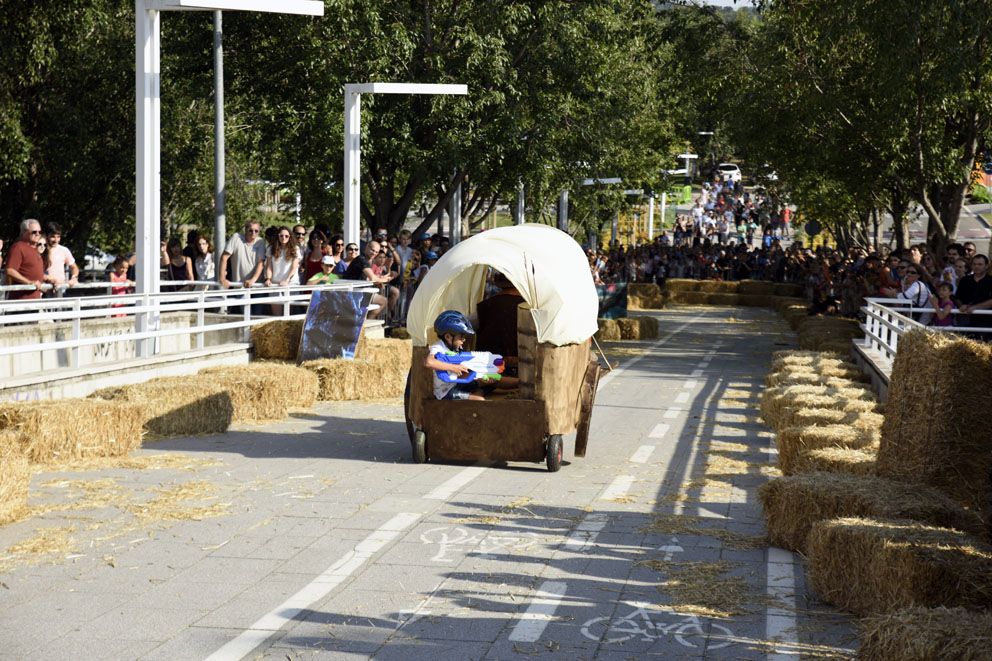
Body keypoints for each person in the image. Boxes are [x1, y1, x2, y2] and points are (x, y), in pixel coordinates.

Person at [424, 310, 489, 401]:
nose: (464, 340)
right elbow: (429, 362)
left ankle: (516, 383)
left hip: (455, 384)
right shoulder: (438, 347)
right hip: (445, 392)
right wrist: (453, 367)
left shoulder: (453, 349)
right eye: (461, 337)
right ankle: (476, 393)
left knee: (489, 382)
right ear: (448, 337)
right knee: (479, 400)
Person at [475, 271, 526, 373]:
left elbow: (474, 326)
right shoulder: (528, 307)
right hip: (523, 364)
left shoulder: (484, 306)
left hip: (490, 365)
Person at [342, 240, 397, 319]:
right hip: (352, 293)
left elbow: (370, 278)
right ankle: (367, 322)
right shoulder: (362, 259)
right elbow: (373, 278)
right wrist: (385, 280)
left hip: (358, 291)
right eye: (372, 250)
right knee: (383, 301)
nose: (374, 253)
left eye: (376, 252)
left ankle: (366, 321)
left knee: (383, 300)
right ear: (367, 247)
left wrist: (383, 278)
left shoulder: (367, 260)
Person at [4, 219, 47, 301]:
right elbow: (10, 270)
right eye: (34, 232)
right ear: (24, 232)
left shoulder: (35, 250)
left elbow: (30, 271)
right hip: (21, 301)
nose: (38, 234)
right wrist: (29, 282)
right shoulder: (18, 247)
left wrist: (49, 279)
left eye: (39, 232)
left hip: (35, 300)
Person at [264, 226, 301, 315]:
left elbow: (294, 267)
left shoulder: (295, 248)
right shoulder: (271, 248)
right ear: (278, 236)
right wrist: (268, 279)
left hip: (291, 283)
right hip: (275, 284)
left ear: (290, 237)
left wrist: (287, 280)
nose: (283, 238)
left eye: (286, 236)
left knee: (288, 315)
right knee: (277, 316)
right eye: (281, 236)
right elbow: (269, 266)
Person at [219, 220, 266, 289]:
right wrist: (222, 278)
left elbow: (261, 262)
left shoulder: (260, 242)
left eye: (256, 231)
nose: (253, 233)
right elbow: (224, 257)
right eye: (250, 230)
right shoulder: (236, 237)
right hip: (240, 285)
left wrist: (252, 280)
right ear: (245, 229)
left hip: (257, 285)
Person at [955, 253, 992, 328]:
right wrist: (961, 306)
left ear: (986, 266)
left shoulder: (991, 281)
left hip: (986, 322)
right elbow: (957, 297)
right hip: (965, 320)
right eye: (974, 264)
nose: (976, 266)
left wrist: (975, 307)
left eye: (980, 264)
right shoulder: (964, 280)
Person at [44, 223, 78, 294]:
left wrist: (74, 278)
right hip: (44, 289)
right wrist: (48, 278)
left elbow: (74, 267)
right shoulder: (41, 249)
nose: (56, 240)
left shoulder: (64, 250)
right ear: (47, 236)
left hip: (60, 290)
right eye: (52, 236)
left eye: (58, 237)